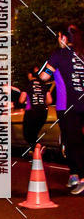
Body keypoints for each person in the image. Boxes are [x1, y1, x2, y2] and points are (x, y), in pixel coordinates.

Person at [40, 23, 84, 193]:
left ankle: (81, 178)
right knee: (77, 140)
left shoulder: (59, 54)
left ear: (63, 38)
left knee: (71, 141)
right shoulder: (81, 54)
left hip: (67, 105)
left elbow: (44, 76)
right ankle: (74, 175)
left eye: (58, 37)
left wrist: (50, 61)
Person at [18, 66, 51, 156]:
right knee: (34, 132)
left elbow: (21, 100)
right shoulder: (44, 85)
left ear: (30, 75)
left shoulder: (28, 85)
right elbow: (49, 100)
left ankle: (38, 146)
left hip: (31, 112)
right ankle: (36, 150)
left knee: (27, 134)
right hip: (43, 112)